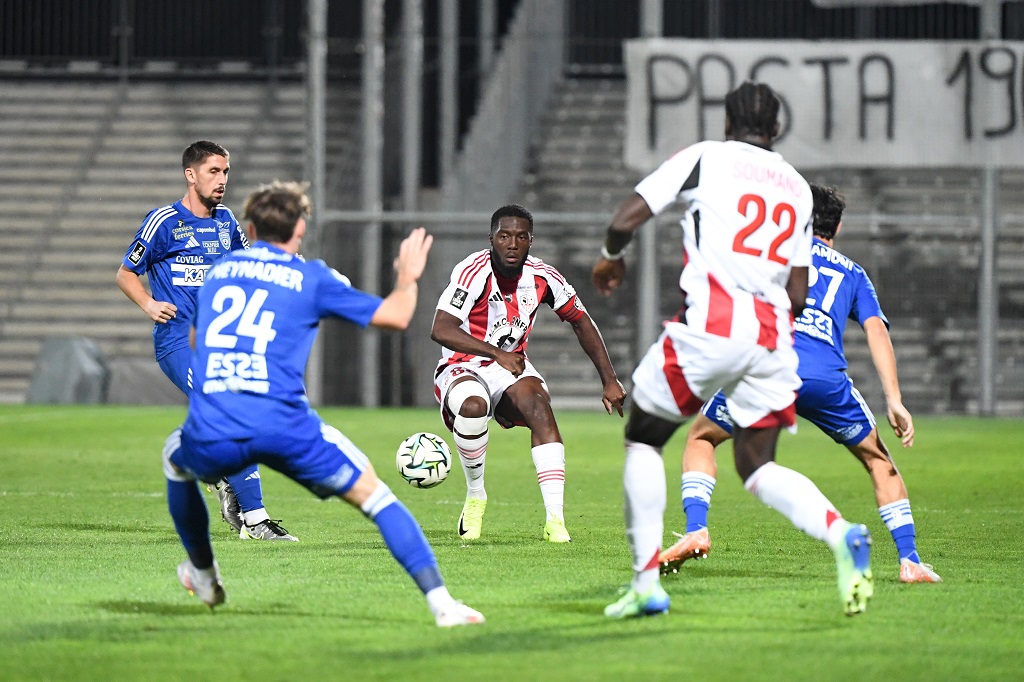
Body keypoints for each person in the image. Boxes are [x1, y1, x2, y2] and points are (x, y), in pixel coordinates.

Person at [592, 81, 873, 619]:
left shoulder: (706, 158)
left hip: (709, 325)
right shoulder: (795, 186)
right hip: (772, 338)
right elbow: (797, 292)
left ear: (727, 122)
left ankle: (646, 584)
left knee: (644, 438)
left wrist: (609, 257)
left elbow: (628, 215)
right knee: (757, 466)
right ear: (777, 129)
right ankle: (841, 534)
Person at [163, 181, 484, 627]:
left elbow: (197, 341)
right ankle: (443, 606)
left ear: (249, 228)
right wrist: (408, 278)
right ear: (300, 229)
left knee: (174, 461)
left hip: (216, 424)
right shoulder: (311, 276)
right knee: (377, 499)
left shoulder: (218, 273)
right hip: (286, 426)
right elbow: (396, 317)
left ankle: (203, 575)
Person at [658, 184, 941, 584]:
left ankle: (696, 529)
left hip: (769, 367)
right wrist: (894, 399)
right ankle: (910, 560)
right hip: (825, 379)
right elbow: (877, 332)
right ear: (837, 227)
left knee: (702, 438)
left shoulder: (772, 254)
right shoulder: (855, 273)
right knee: (879, 460)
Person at [116, 141, 296, 541]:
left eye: (226, 172)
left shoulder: (226, 221)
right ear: (191, 174)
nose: (222, 180)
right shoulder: (163, 221)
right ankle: (256, 520)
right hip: (178, 340)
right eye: (214, 171)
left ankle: (215, 472)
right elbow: (126, 273)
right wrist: (147, 303)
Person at [431, 203, 626, 543]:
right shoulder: (472, 271)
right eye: (504, 236)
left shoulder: (543, 277)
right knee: (473, 407)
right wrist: (496, 353)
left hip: (510, 366)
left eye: (521, 237)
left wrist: (609, 379)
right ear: (491, 238)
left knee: (539, 407)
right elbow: (441, 328)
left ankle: (556, 521)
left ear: (530, 241)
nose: (512, 243)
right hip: (461, 365)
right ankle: (476, 496)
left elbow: (581, 320)